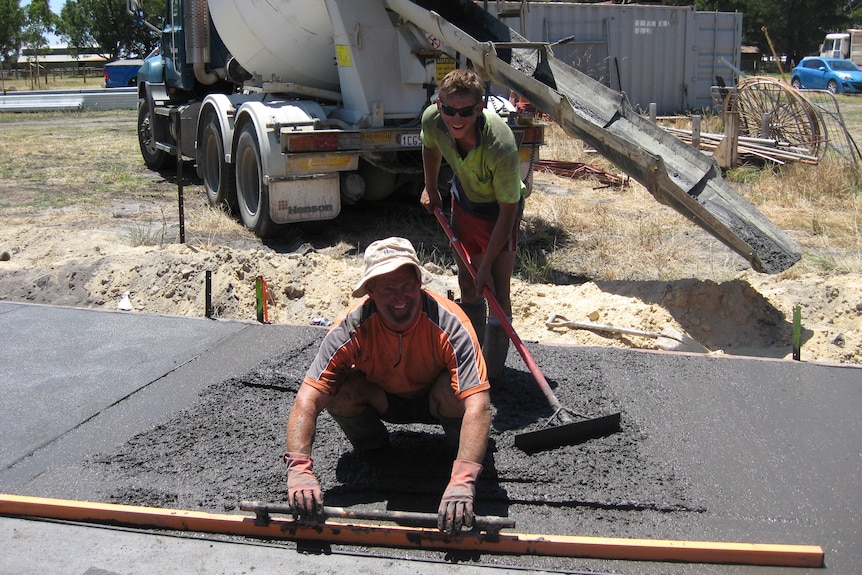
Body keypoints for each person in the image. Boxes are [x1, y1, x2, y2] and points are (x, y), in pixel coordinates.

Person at [284, 237, 492, 534]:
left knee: (461, 392)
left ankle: (458, 452)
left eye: (407, 285)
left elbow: (480, 406)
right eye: (388, 288)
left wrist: (463, 481)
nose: (400, 297)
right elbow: (308, 398)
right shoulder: (350, 328)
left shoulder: (451, 324)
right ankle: (375, 453)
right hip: (384, 398)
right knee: (340, 390)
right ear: (370, 291)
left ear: (419, 282)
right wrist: (299, 470)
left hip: (438, 399)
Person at [419, 68, 526, 381]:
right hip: (464, 201)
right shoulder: (433, 119)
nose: (456, 118)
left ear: (480, 109)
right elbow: (430, 145)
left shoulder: (501, 147)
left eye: (466, 111)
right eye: (449, 109)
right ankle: (472, 364)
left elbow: (507, 213)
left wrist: (485, 265)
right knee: (468, 285)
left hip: (500, 211)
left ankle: (492, 375)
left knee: (495, 286)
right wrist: (430, 186)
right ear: (440, 105)